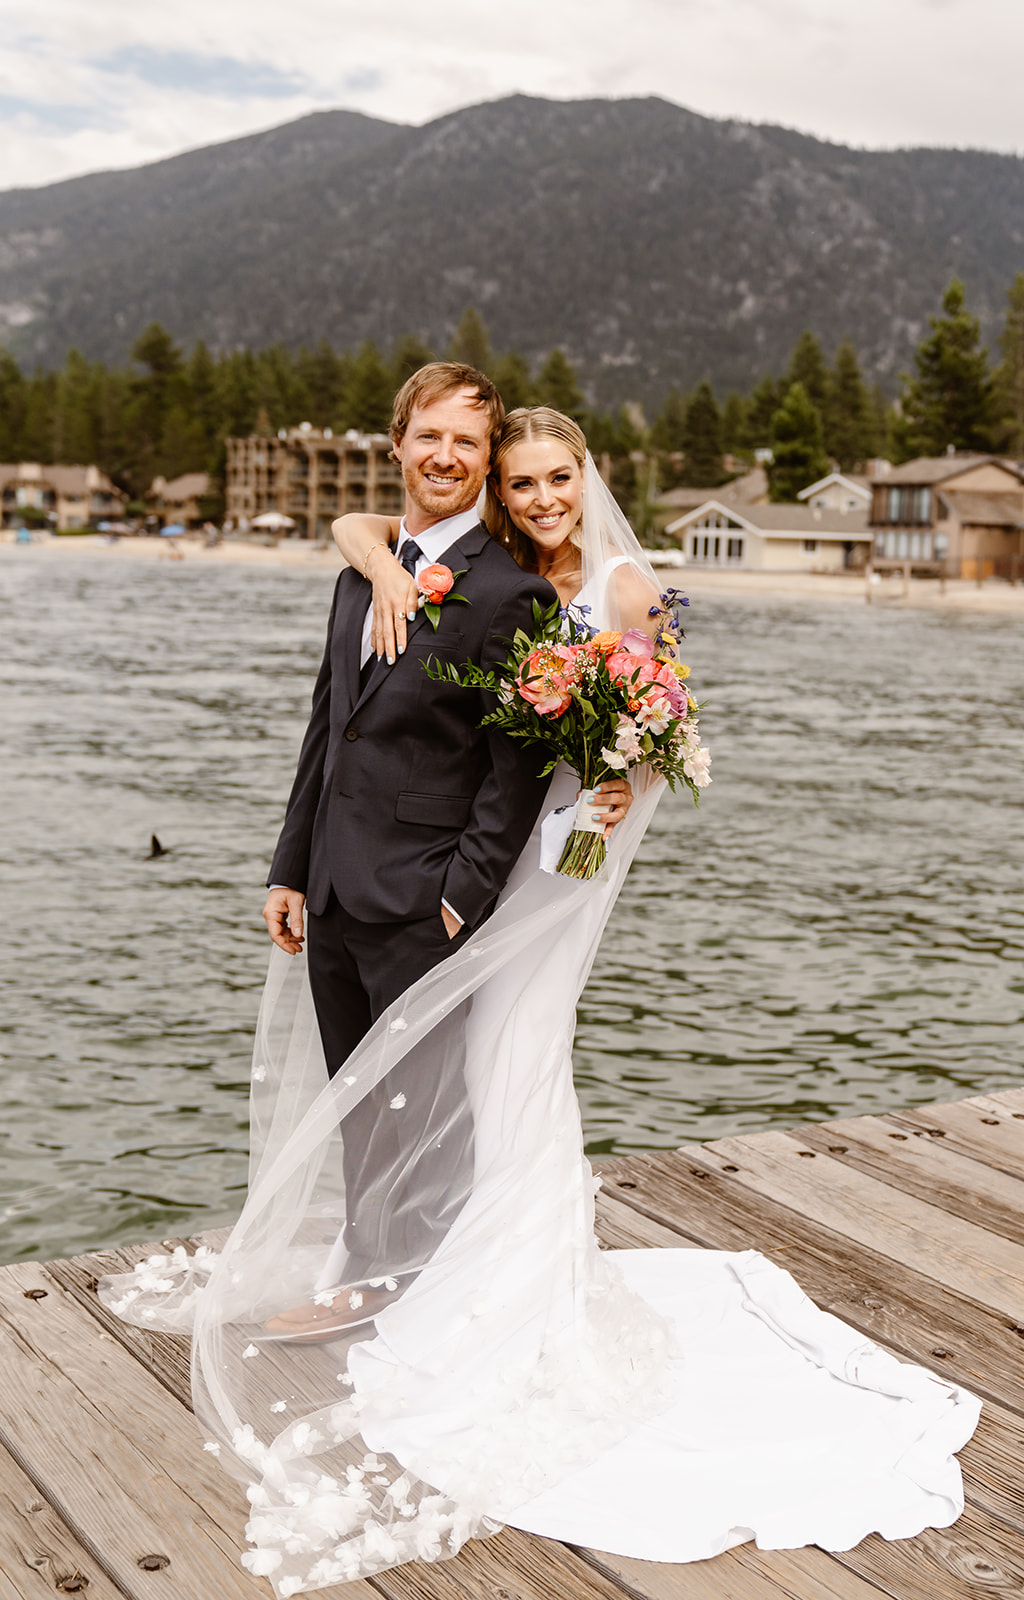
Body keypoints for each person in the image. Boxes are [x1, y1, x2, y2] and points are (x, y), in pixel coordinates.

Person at [101, 400, 979, 1599]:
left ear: (582, 475)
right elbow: (341, 683)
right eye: (521, 479)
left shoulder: (597, 588)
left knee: (499, 1062)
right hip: (454, 864)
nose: (536, 495)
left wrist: (609, 794)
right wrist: (291, 856)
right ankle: (405, 1265)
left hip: (531, 859)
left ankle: (452, 1281)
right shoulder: (444, 560)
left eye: (549, 475)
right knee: (449, 1071)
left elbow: (629, 724)